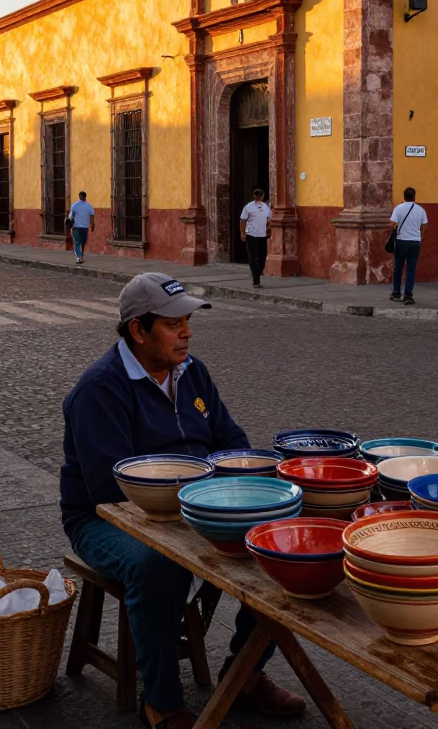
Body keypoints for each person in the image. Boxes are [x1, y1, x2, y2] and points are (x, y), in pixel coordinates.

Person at [60, 273, 306, 728]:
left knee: (282, 544)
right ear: (138, 330)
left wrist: (253, 482)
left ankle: (244, 675)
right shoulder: (100, 389)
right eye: (174, 324)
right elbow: (108, 491)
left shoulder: (192, 373)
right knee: (157, 564)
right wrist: (202, 502)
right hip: (102, 520)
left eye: (188, 321)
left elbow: (230, 440)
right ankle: (163, 701)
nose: (187, 333)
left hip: (191, 507)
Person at [389, 187, 429, 305]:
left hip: (401, 241)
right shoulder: (421, 210)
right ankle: (408, 295)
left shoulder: (398, 208)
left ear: (404, 196)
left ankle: (396, 292)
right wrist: (420, 237)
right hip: (415, 242)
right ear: (414, 196)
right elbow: (425, 227)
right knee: (411, 269)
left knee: (398, 268)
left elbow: (393, 224)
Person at [239, 187, 271, 287]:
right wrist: (243, 233)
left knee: (262, 257)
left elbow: (268, 220)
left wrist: (268, 230)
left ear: (262, 196)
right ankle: (256, 279)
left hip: (262, 235)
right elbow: (243, 220)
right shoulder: (248, 207)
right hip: (251, 234)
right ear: (255, 196)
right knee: (253, 257)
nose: (259, 197)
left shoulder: (265, 207)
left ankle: (258, 272)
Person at [68, 191, 95, 265]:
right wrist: (92, 226)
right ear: (85, 197)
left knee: (79, 242)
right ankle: (79, 257)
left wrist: (70, 223)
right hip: (83, 227)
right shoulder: (89, 206)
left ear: (79, 196)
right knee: (81, 242)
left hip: (77, 227)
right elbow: (92, 217)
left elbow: (70, 216)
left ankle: (79, 257)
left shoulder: (74, 205)